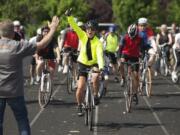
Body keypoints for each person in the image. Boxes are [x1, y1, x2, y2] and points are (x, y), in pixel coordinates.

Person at [0, 16, 59, 135]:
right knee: (22, 121)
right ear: (13, 33)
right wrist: (52, 29)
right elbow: (42, 44)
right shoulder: (18, 46)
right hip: (15, 92)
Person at [65, 9, 104, 116]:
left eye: (92, 29)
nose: (89, 31)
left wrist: (101, 67)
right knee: (80, 87)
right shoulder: (82, 36)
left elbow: (100, 56)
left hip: (94, 63)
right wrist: (69, 17)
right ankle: (79, 105)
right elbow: (75, 26)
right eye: (88, 29)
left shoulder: (98, 43)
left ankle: (95, 95)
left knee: (96, 77)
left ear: (95, 31)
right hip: (83, 63)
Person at [119, 24, 143, 104]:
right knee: (120, 64)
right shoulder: (124, 37)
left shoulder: (139, 39)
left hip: (134, 56)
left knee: (136, 76)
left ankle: (135, 93)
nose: (131, 36)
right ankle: (122, 77)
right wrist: (119, 57)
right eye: (130, 35)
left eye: (133, 35)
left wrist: (142, 55)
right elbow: (120, 48)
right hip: (125, 54)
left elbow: (142, 48)